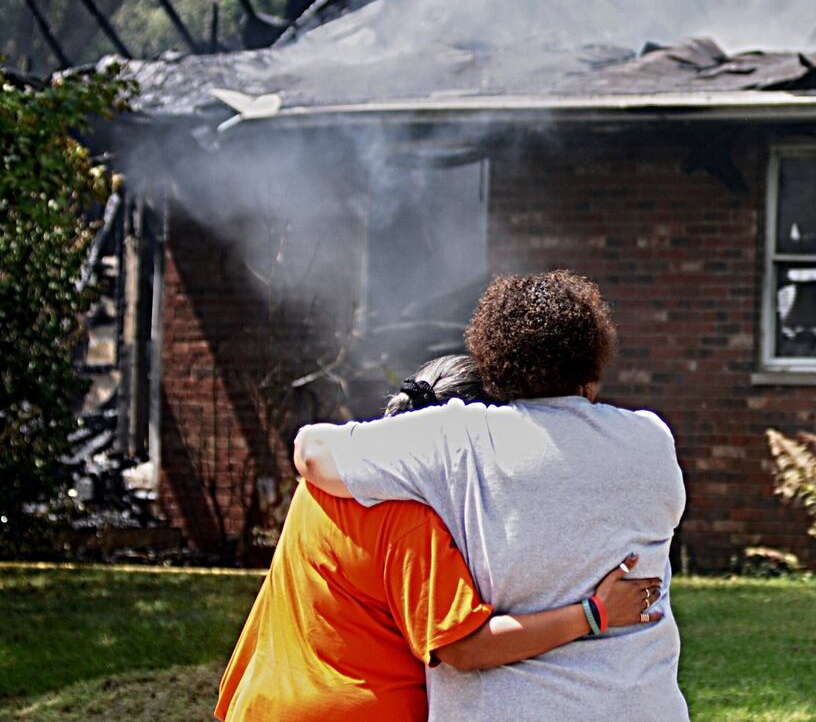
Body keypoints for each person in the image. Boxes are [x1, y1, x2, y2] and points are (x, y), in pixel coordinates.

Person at [294, 270, 688, 721]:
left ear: (492, 363)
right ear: (593, 362)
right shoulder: (652, 439)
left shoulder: (459, 439)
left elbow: (312, 455)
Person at [217, 354, 663, 722]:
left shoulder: (321, 487)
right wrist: (593, 613)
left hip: (259, 700)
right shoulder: (410, 520)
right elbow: (467, 647)